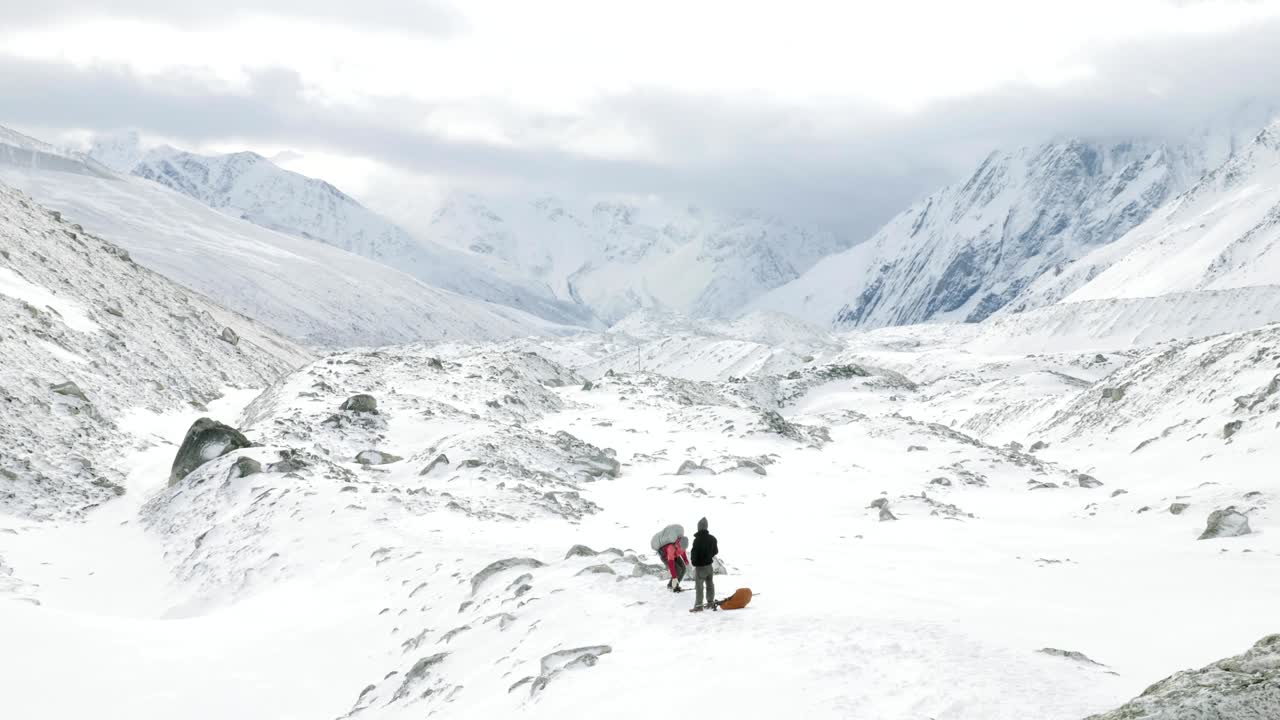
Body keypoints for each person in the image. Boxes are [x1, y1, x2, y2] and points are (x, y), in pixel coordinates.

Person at [689, 516, 719, 612]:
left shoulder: (697, 540)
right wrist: (708, 556)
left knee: (699, 587)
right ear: (706, 527)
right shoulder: (712, 538)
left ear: (699, 527)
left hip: (700, 568)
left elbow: (694, 554)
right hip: (709, 567)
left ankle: (698, 606)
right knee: (710, 584)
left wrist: (695, 563)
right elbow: (716, 551)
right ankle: (710, 603)